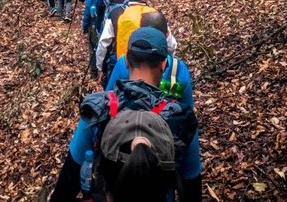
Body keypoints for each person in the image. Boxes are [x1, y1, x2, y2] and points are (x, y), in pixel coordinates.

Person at [49, 27, 198, 202]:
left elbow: (70, 175)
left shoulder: (99, 108)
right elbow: (191, 183)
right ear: (164, 65)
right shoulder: (180, 117)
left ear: (126, 60)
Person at [106, 12, 202, 198]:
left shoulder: (121, 66)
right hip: (163, 169)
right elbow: (188, 120)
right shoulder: (179, 71)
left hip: (120, 165)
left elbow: (110, 101)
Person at [95, 0, 177, 82]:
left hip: (123, 70)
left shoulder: (116, 14)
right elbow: (171, 46)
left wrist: (100, 68)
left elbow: (103, 44)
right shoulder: (156, 16)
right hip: (153, 73)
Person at [81, 0, 111, 78]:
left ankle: (94, 73)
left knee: (93, 47)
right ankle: (106, 72)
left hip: (95, 23)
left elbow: (88, 8)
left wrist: (85, 25)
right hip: (110, 24)